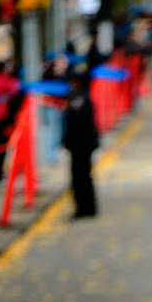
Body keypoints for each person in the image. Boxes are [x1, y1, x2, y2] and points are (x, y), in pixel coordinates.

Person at [62, 71, 99, 219]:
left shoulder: (78, 99)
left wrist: (67, 141)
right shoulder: (82, 97)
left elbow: (75, 124)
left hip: (80, 146)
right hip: (84, 145)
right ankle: (88, 207)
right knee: (85, 176)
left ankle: (83, 208)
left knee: (79, 177)